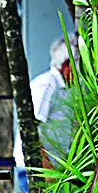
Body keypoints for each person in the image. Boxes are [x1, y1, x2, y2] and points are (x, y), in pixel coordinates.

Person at [29, 39, 77, 168]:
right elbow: (31, 128)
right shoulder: (47, 85)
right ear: (67, 64)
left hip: (53, 167)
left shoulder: (64, 87)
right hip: (38, 168)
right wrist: (45, 165)